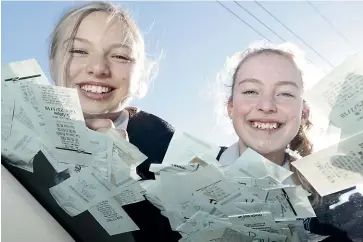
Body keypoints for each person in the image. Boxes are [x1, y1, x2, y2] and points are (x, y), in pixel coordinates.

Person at [2, 1, 181, 241]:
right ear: (52, 61)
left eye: (119, 56)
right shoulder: (11, 134)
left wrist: (125, 187)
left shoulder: (169, 151)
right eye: (78, 51)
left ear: (140, 74)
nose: (98, 68)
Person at [215, 42, 353, 241]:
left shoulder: (328, 199)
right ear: (231, 107)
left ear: (303, 113)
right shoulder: (183, 172)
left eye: (285, 93)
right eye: (251, 91)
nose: (266, 106)